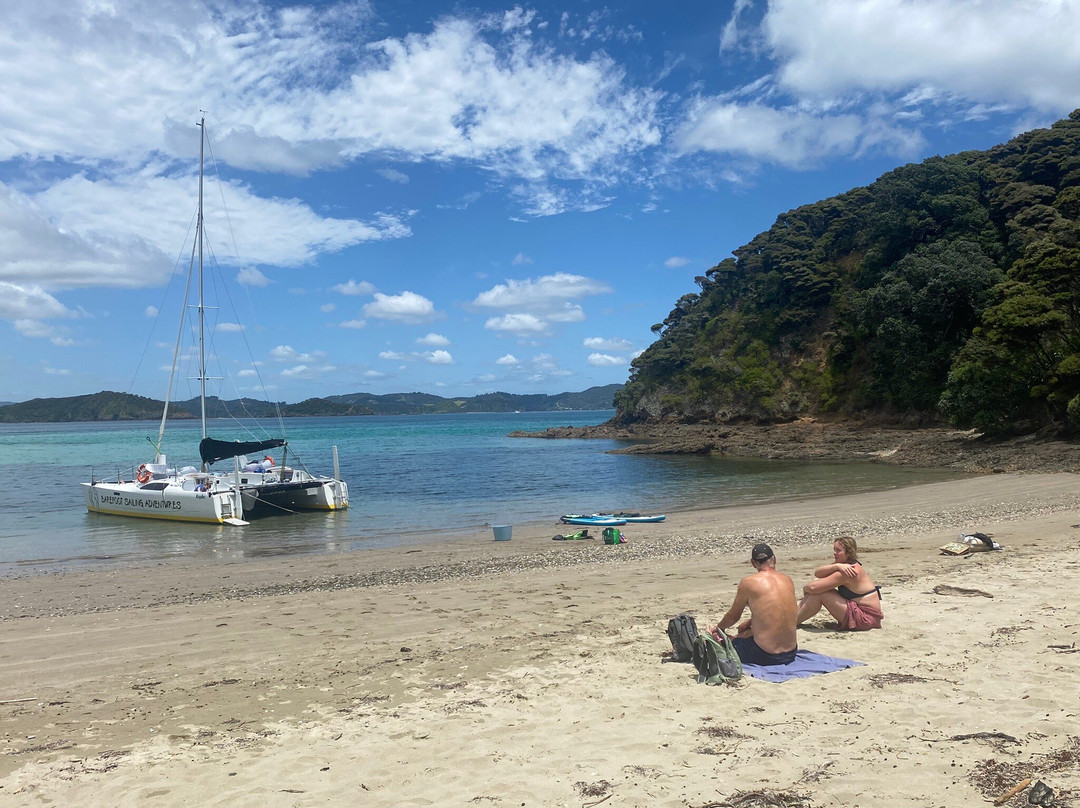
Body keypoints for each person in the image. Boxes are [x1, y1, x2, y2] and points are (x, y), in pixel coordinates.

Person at [708, 543, 798, 665]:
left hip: (765, 655)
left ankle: (718, 638)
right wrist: (750, 622)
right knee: (745, 633)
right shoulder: (787, 579)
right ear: (774, 559)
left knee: (723, 638)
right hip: (791, 653)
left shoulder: (748, 583)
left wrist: (718, 629)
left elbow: (733, 616)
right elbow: (778, 610)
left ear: (753, 563)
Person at [796, 536, 883, 630]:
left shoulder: (848, 572)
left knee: (820, 593)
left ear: (849, 553)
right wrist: (836, 566)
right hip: (863, 613)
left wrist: (805, 588)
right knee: (820, 591)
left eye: (838, 550)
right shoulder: (846, 565)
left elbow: (813, 588)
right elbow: (818, 573)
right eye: (834, 549)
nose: (834, 553)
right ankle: (791, 619)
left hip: (866, 618)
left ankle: (790, 622)